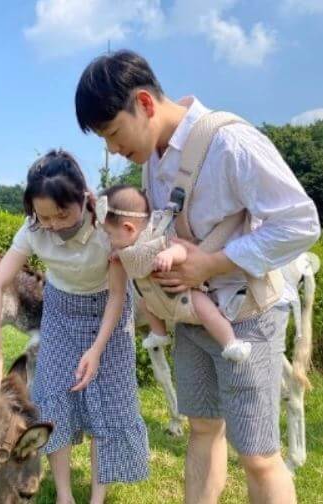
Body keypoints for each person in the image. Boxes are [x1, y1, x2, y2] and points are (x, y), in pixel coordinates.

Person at [75, 49, 320, 504]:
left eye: (113, 133)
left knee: (258, 455)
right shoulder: (152, 158)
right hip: (190, 318)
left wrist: (210, 264)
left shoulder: (231, 142)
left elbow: (300, 224)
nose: (112, 148)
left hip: (245, 315)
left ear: (144, 103)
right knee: (203, 429)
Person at [0, 149, 149, 504]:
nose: (54, 224)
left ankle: (97, 498)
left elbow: (117, 295)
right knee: (55, 396)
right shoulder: (32, 230)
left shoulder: (105, 226)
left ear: (83, 199)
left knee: (107, 402)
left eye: (62, 214)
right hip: (61, 310)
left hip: (108, 310)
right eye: (44, 216)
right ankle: (64, 495)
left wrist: (97, 350)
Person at [97, 184, 251, 362]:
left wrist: (169, 255)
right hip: (157, 297)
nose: (108, 240)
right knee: (145, 304)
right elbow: (133, 256)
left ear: (129, 228)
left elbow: (182, 249)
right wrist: (119, 255)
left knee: (206, 310)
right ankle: (159, 333)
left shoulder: (157, 235)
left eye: (109, 234)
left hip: (184, 294)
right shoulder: (128, 248)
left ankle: (230, 342)